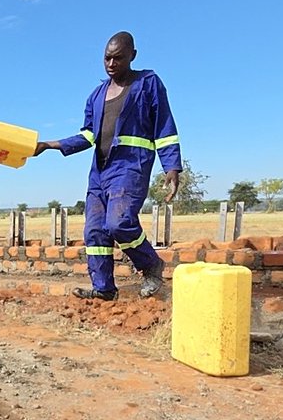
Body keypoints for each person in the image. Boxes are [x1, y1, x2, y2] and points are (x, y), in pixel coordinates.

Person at [33, 31, 182, 301]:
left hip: (131, 166)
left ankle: (151, 265)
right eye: (107, 58)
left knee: (119, 223)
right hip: (100, 171)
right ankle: (103, 288)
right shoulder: (96, 95)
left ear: (132, 56)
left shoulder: (148, 83)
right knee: (95, 230)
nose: (111, 64)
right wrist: (49, 145)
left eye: (118, 58)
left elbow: (165, 127)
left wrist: (172, 166)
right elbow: (89, 135)